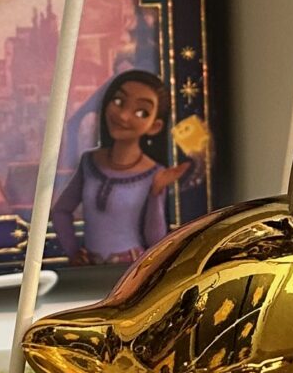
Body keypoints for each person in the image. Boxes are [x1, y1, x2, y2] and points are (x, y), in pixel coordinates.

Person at [50, 71, 189, 266]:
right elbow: (60, 211)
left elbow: (155, 241)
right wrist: (73, 251)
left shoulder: (154, 173)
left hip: (131, 267)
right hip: (91, 268)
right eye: (118, 101)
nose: (123, 116)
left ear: (155, 126)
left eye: (141, 112)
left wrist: (156, 193)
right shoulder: (89, 162)